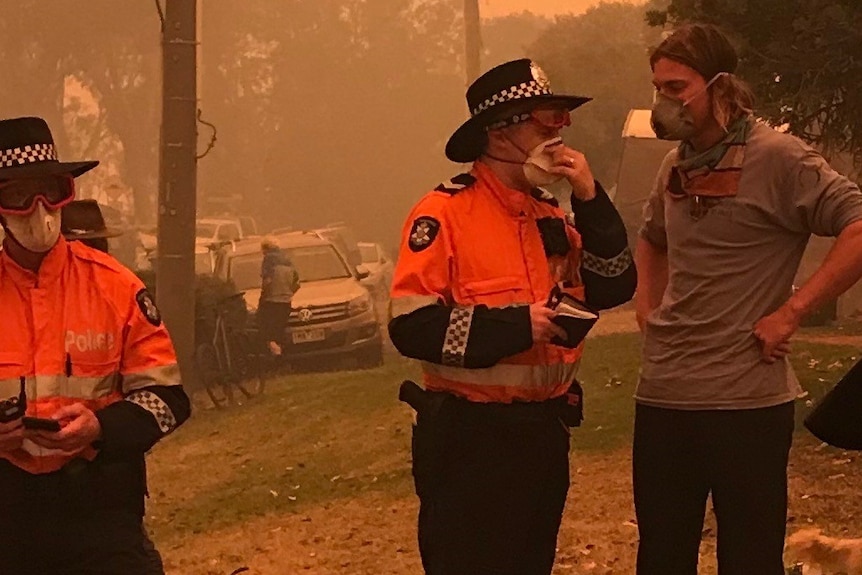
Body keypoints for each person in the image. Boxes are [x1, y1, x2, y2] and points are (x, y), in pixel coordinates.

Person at [388, 59, 636, 575]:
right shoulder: (444, 214)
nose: (557, 134)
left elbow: (615, 284)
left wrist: (590, 198)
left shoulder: (549, 214)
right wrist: (518, 326)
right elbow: (410, 326)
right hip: (469, 440)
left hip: (543, 434)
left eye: (560, 121)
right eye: (542, 121)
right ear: (496, 132)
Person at [634, 24, 862, 575]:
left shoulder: (780, 158)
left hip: (746, 403)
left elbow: (858, 226)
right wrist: (648, 307)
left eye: (675, 87)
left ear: (719, 86)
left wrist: (793, 311)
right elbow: (651, 236)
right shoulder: (675, 166)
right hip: (664, 397)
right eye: (657, 88)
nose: (663, 103)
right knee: (661, 556)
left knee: (750, 558)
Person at [0, 116, 191, 574]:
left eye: (50, 190)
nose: (38, 209)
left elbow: (168, 399)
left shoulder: (117, 287)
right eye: (18, 195)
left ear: (68, 193)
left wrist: (100, 428)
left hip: (102, 508)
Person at [259, 235, 300, 356]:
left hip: (271, 300)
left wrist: (263, 295)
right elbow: (297, 283)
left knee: (266, 330)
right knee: (279, 329)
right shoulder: (287, 260)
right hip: (286, 301)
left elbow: (267, 280)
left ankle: (275, 355)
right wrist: (288, 293)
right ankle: (282, 356)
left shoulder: (268, 259)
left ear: (265, 248)